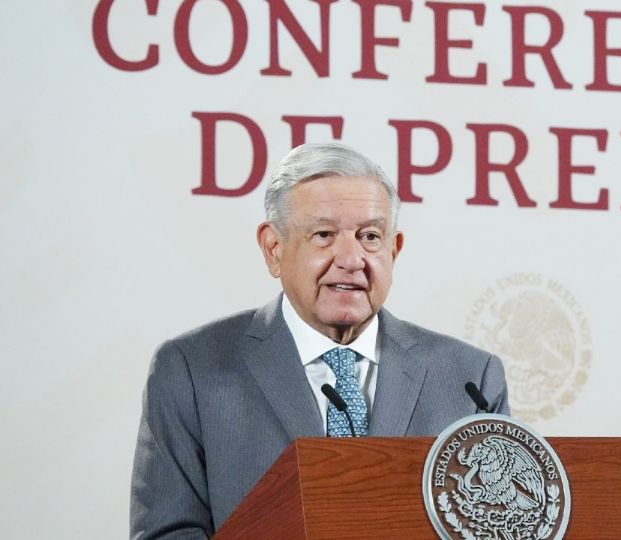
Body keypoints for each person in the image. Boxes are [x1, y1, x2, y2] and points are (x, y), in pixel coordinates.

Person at [130, 143, 510, 539]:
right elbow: (168, 533)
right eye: (324, 235)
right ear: (273, 248)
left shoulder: (471, 381)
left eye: (370, 236)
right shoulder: (192, 370)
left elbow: (507, 522)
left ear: (394, 250)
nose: (351, 258)